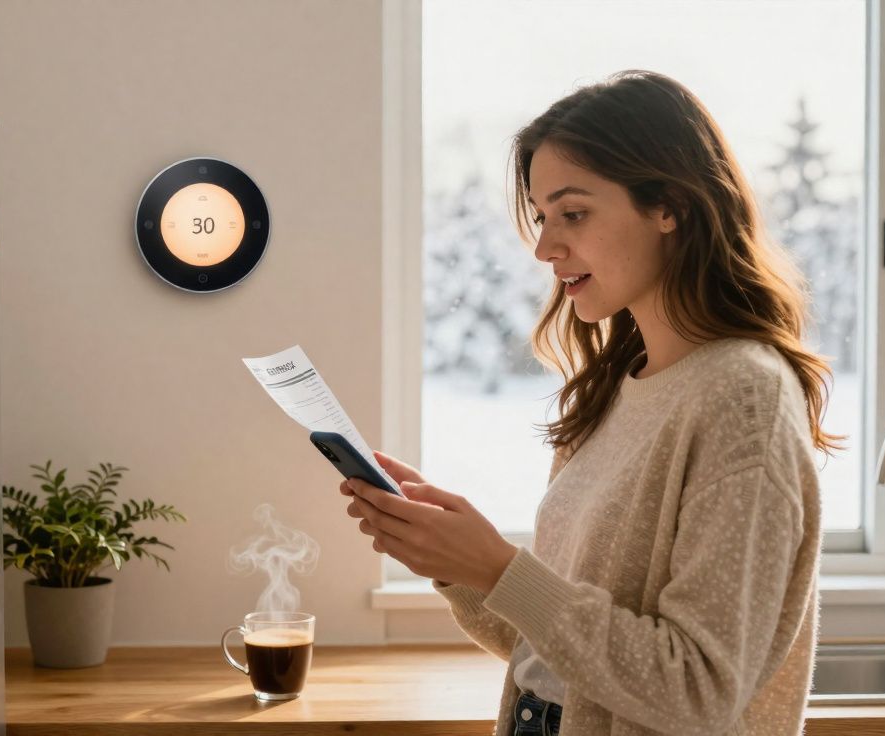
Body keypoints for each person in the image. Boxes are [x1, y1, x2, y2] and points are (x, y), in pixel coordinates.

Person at [341, 70, 839, 736]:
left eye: (573, 213)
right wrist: (452, 562)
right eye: (544, 217)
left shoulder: (741, 397)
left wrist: (495, 564)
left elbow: (698, 690)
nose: (546, 247)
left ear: (670, 206)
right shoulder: (613, 388)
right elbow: (560, 654)